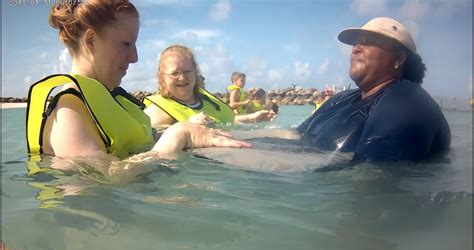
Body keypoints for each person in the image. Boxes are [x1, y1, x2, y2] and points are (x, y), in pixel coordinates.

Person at [26, 1, 250, 178]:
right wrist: (178, 134)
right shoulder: (70, 110)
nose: (134, 57)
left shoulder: (112, 99)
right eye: (125, 44)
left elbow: (143, 143)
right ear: (92, 40)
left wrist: (190, 128)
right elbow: (102, 182)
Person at [297, 17, 451, 161]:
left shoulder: (406, 103)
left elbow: (369, 177)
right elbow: (295, 135)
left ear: (399, 59)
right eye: (356, 43)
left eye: (368, 41)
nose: (355, 49)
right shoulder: (342, 99)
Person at [143, 44, 276, 128]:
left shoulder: (205, 100)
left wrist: (251, 118)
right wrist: (187, 127)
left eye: (187, 71)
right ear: (161, 77)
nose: (182, 78)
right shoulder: (157, 112)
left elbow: (222, 124)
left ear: (196, 72)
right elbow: (150, 146)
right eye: (174, 73)